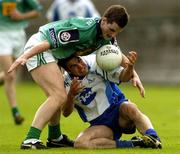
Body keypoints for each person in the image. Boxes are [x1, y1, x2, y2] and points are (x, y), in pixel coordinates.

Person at [7, 5, 139, 149]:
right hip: (39, 47)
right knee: (58, 96)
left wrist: (134, 75)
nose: (113, 35)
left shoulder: (107, 36)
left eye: (117, 33)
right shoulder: (83, 31)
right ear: (104, 21)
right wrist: (24, 56)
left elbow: (119, 56)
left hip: (53, 54)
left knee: (56, 97)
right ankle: (30, 139)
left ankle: (55, 138)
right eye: (112, 30)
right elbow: (47, 43)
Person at [58, 53, 162, 149]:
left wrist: (130, 67)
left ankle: (154, 137)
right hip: (101, 124)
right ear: (68, 70)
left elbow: (124, 77)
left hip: (119, 112)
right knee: (80, 144)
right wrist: (71, 95)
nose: (80, 66)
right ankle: (135, 144)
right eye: (74, 66)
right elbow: (65, 113)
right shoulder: (66, 84)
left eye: (79, 60)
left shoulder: (97, 61)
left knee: (130, 107)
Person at [0, 0, 42, 125]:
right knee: (11, 75)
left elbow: (37, 11)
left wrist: (21, 16)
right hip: (2, 35)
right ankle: (15, 112)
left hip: (19, 34)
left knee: (8, 74)